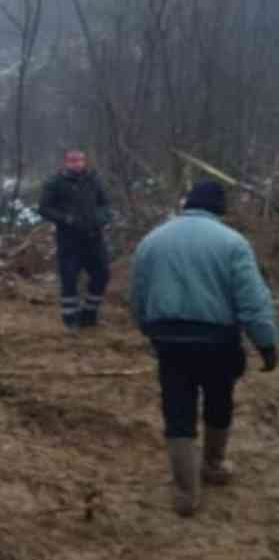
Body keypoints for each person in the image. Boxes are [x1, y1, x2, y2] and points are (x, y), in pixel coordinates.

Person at [130, 180, 277, 517]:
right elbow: (252, 300)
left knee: (177, 410)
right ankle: (213, 465)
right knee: (219, 401)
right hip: (217, 341)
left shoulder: (152, 240)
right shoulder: (232, 243)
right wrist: (267, 343)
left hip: (169, 340)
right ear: (219, 208)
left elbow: (138, 295)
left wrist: (149, 329)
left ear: (187, 204)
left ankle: (185, 494)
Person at [37, 149, 113, 329]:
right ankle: (70, 319)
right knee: (69, 279)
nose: (77, 164)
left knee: (102, 274)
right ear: (65, 163)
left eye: (80, 160)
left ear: (85, 162)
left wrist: (101, 218)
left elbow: (105, 204)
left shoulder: (93, 180)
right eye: (72, 161)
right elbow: (44, 208)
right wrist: (65, 219)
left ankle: (89, 313)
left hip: (94, 237)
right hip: (69, 240)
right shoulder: (55, 182)